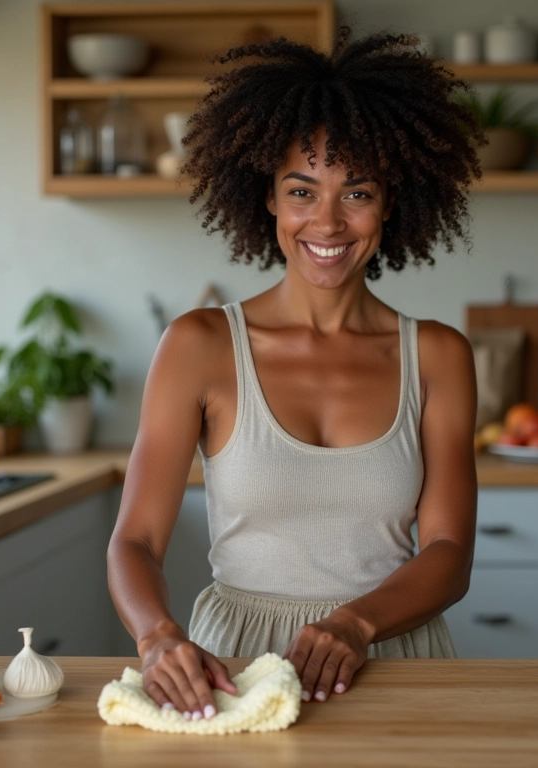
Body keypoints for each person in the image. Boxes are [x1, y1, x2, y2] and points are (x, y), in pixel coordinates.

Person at [107, 27, 483, 723]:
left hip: (392, 659)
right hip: (237, 667)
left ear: (391, 202)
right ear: (270, 199)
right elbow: (135, 540)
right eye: (302, 190)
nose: (328, 221)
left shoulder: (438, 355)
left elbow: (450, 551)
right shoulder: (199, 344)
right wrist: (157, 637)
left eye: (358, 192)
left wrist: (357, 624)